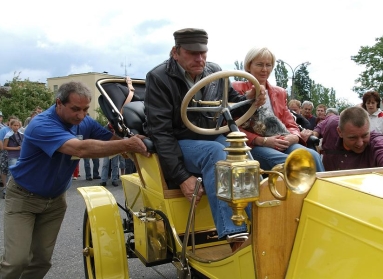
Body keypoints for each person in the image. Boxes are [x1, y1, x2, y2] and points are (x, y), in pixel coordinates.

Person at [0, 81, 150, 279]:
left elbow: (112, 141)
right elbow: (79, 149)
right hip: (23, 198)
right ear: (58, 103)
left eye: (85, 109)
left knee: (41, 261)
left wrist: (136, 140)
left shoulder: (84, 122)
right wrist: (128, 144)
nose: (81, 115)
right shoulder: (41, 124)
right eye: (75, 109)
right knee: (16, 261)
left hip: (55, 200)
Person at [143, 28, 265, 250]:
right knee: (216, 153)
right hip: (180, 141)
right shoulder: (158, 78)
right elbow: (160, 132)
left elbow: (233, 104)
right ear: (175, 52)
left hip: (211, 136)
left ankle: (260, 227)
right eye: (192, 53)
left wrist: (250, 99)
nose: (199, 59)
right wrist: (182, 177)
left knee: (243, 154)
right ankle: (236, 238)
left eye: (203, 53)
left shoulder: (215, 72)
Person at [231, 46, 324, 173]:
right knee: (293, 163)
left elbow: (290, 123)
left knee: (312, 156)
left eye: (268, 65)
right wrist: (263, 140)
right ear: (248, 66)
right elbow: (230, 126)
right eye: (259, 64)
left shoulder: (279, 92)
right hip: (253, 146)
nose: (264, 69)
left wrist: (294, 137)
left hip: (282, 142)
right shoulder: (236, 89)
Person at [312, 106, 383, 180]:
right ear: (339, 132)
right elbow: (320, 127)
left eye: (365, 135)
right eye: (353, 138)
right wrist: (312, 134)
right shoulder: (331, 124)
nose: (360, 143)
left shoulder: (377, 140)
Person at [3, 119, 23, 184]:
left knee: (19, 172)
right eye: (15, 125)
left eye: (17, 125)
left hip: (20, 156)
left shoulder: (21, 134)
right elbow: (4, 147)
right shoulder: (8, 135)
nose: (16, 127)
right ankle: (7, 189)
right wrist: (16, 148)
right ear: (11, 126)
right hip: (12, 156)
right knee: (11, 173)